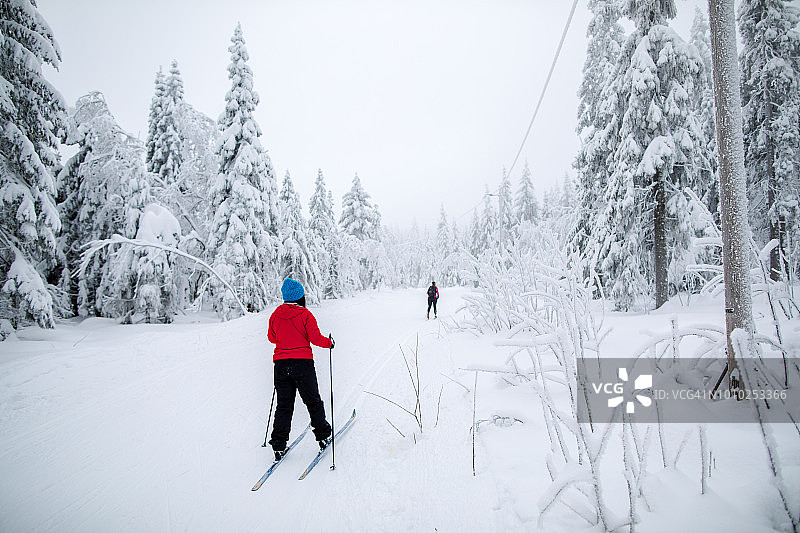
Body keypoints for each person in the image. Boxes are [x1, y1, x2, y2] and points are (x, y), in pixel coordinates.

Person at [267, 278, 334, 461]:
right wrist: (329, 343)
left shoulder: (275, 315)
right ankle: (323, 436)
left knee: (284, 405)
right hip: (302, 364)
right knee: (313, 401)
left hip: (281, 365)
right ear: (300, 296)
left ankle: (278, 445)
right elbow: (315, 338)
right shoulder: (305, 314)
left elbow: (272, 338)